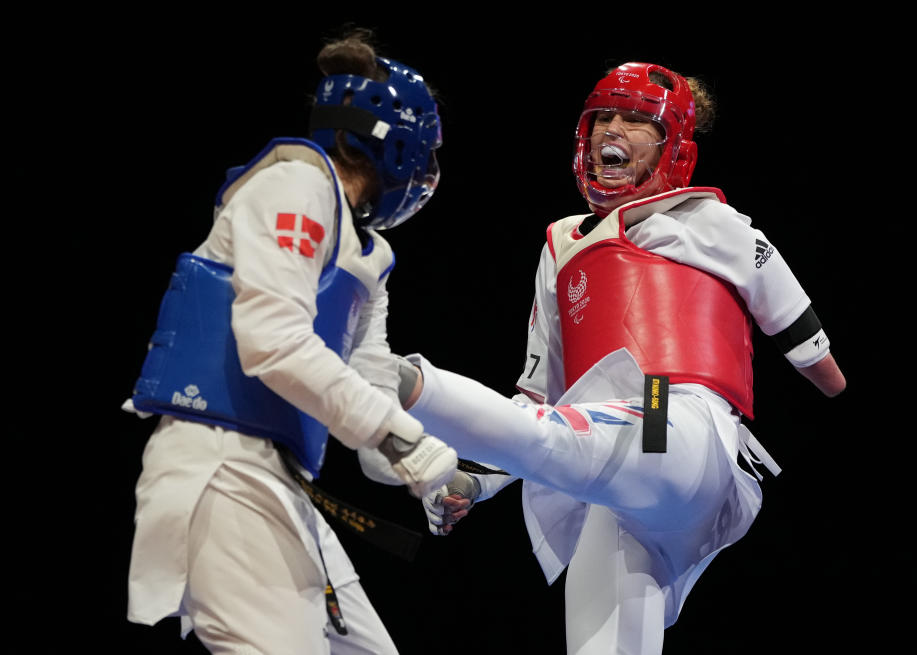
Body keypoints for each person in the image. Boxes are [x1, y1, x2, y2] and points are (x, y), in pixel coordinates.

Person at [411, 62, 845, 654]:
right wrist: (480, 484)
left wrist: (838, 388)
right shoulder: (560, 248)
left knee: (592, 436)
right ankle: (397, 389)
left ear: (674, 146)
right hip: (616, 471)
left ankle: (392, 382)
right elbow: (539, 403)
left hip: (674, 415)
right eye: (603, 117)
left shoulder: (707, 218)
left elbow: (804, 339)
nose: (612, 128)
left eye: (636, 119)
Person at [124, 33, 457, 654]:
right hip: (223, 471)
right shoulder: (294, 186)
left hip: (279, 481)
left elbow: (367, 389)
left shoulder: (368, 259)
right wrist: (402, 440)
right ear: (397, 140)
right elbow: (273, 343)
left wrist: (430, 474)